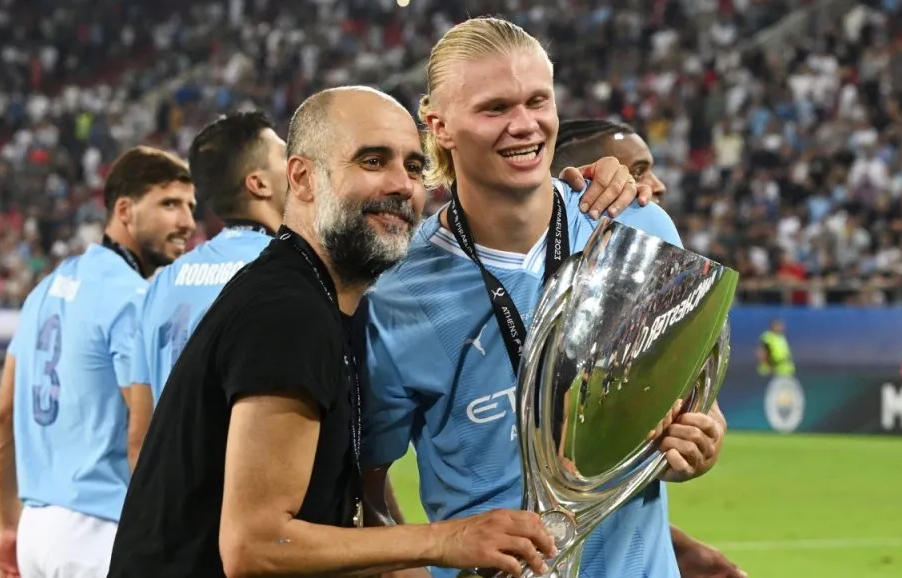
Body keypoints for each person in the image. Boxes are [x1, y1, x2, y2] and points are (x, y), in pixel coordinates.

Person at [107, 85, 563, 578]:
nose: (401, 185)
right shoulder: (288, 313)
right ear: (301, 178)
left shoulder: (320, 303)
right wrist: (448, 539)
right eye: (372, 161)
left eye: (413, 167)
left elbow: (319, 528)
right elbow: (256, 545)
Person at [360, 17, 724, 578]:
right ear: (440, 126)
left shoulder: (638, 229)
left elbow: (692, 406)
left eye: (537, 101)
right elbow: (366, 490)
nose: (524, 125)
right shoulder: (396, 290)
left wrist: (698, 441)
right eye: (495, 108)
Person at [0, 146, 196, 578]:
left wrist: (8, 526)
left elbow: (2, 414)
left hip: (36, 529)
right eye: (170, 204)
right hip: (101, 529)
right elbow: (147, 432)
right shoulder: (133, 298)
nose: (187, 223)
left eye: (190, 207)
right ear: (125, 209)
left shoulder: (46, 287)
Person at [554, 118, 746, 578]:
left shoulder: (648, 277)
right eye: (637, 170)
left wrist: (700, 440)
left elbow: (697, 410)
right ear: (580, 177)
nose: (655, 186)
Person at [127, 110, 287, 469]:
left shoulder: (164, 283)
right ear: (258, 184)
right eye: (283, 155)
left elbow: (140, 436)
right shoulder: (290, 272)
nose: (297, 165)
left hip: (173, 513)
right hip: (252, 511)